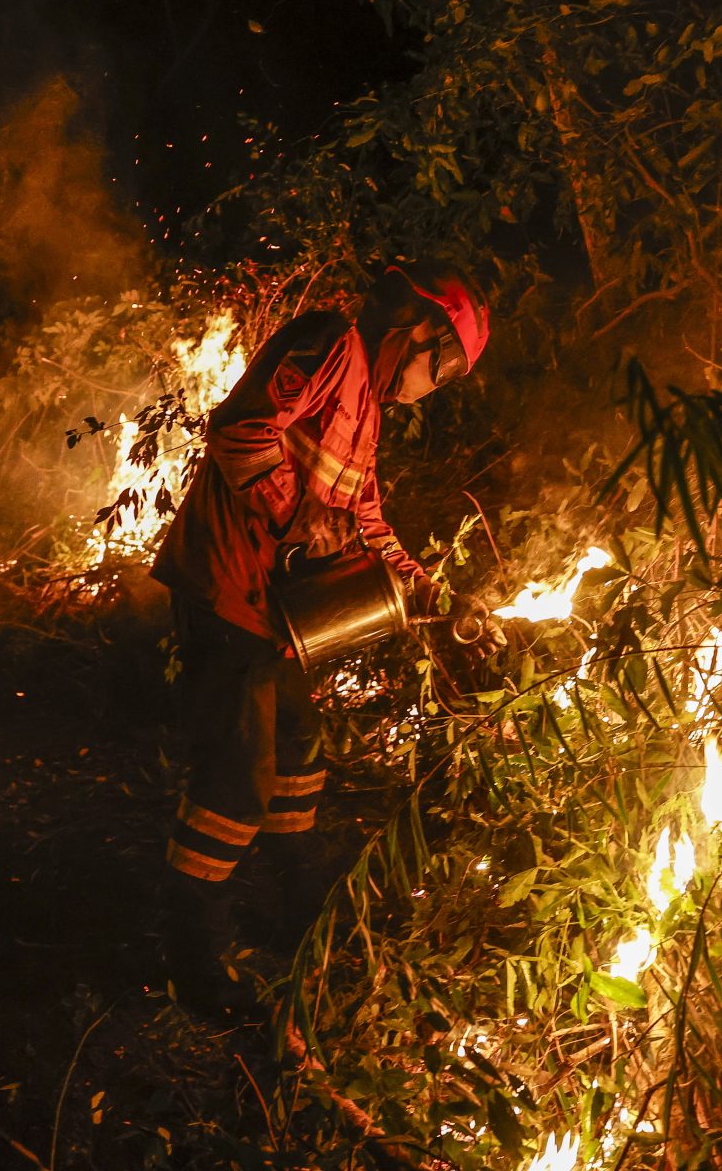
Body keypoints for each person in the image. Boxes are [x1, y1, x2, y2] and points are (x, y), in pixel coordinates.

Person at [149, 262, 489, 1016]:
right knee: (233, 782)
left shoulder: (367, 403)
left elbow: (364, 519)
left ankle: (302, 910)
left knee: (299, 757)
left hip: (278, 612)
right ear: (419, 332)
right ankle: (192, 958)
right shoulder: (330, 344)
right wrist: (292, 513)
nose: (436, 385)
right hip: (228, 588)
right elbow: (239, 430)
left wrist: (429, 589)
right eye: (445, 368)